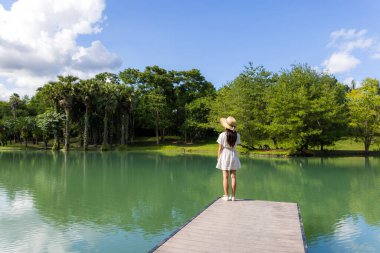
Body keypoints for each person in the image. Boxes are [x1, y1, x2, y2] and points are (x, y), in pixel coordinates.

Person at [216, 116, 241, 201]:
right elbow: (236, 145)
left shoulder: (222, 135)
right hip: (233, 154)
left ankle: (226, 196)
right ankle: (233, 196)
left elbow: (220, 149)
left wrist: (219, 158)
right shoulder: (237, 135)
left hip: (225, 155)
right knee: (233, 176)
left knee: (225, 177)